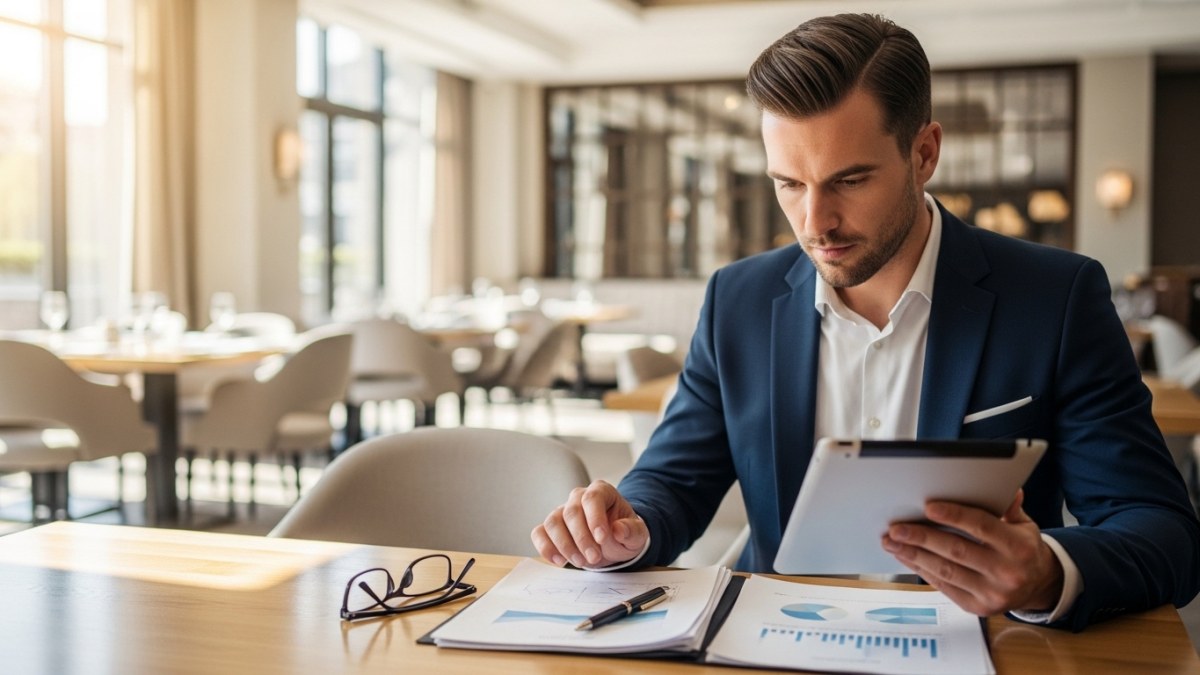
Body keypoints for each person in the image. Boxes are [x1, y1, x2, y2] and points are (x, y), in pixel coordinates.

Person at [531, 13, 1200, 630]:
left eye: (849, 180)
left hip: (983, 648)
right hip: (781, 644)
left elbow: (1164, 532)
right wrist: (628, 525)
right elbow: (673, 479)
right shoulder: (736, 300)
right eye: (788, 183)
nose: (815, 222)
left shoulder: (1054, 298)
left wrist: (1046, 570)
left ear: (924, 154)